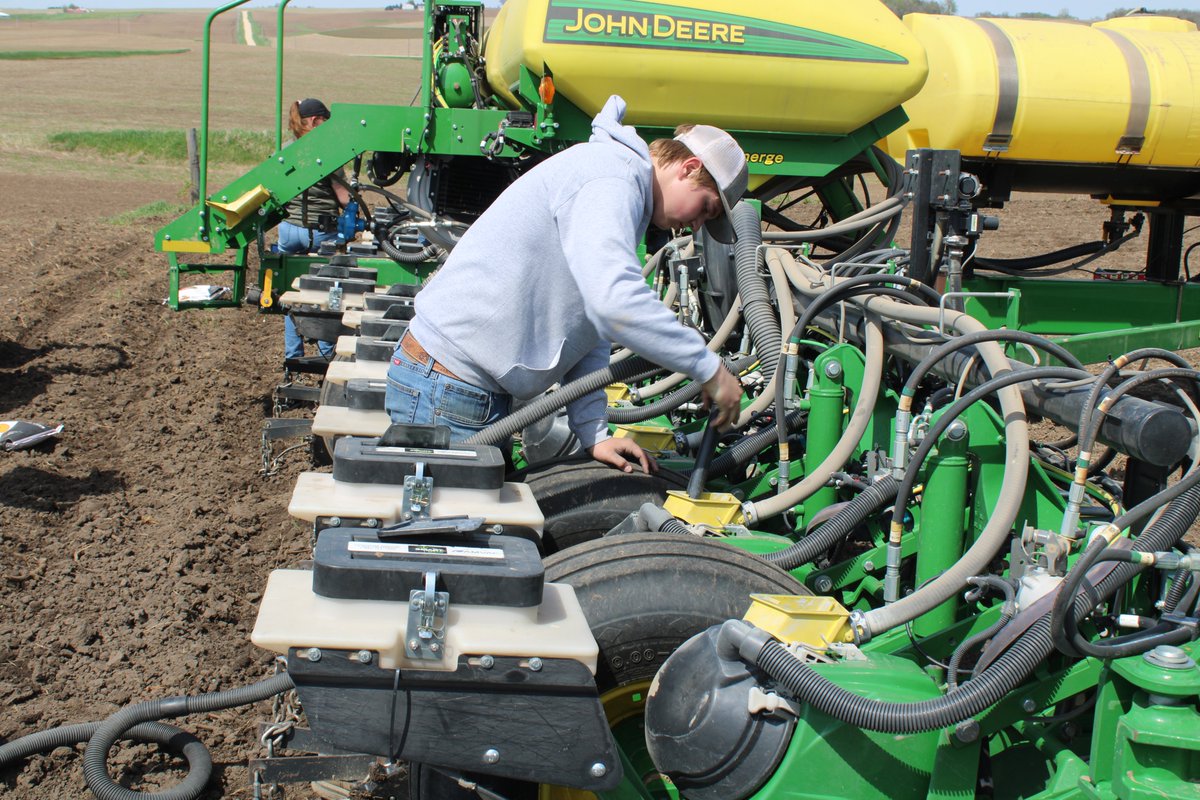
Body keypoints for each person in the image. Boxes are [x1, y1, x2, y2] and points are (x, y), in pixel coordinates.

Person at [385, 95, 746, 474]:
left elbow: (589, 327)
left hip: (458, 384)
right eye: (705, 208)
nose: (697, 226)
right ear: (688, 169)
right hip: (447, 383)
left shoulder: (620, 187)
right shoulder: (611, 177)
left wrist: (593, 433)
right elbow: (614, 304)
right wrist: (708, 368)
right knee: (446, 529)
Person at [276, 98, 351, 361]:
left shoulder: (284, 150)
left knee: (293, 295)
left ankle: (293, 356)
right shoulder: (327, 151)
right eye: (325, 121)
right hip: (321, 233)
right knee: (328, 293)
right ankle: (326, 354)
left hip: (289, 230)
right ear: (314, 121)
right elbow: (343, 197)